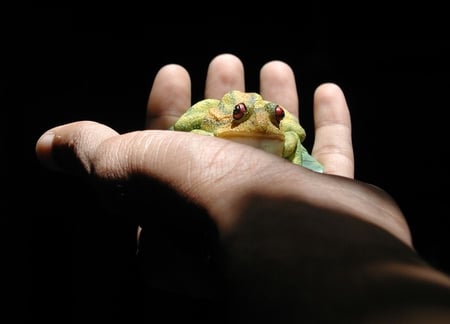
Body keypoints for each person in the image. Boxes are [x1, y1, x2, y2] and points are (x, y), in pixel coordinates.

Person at [35, 53, 450, 323]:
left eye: (277, 114)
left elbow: (295, 142)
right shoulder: (214, 121)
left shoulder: (281, 133)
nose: (264, 120)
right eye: (242, 111)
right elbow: (186, 128)